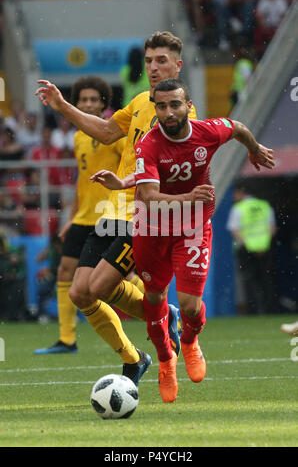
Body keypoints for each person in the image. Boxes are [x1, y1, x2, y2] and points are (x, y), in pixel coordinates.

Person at [92, 78, 275, 403]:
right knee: (154, 297)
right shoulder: (148, 143)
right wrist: (189, 195)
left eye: (174, 104)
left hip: (192, 228)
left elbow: (237, 127)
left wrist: (254, 148)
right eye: (161, 106)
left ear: (188, 106)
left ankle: (189, 342)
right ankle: (165, 360)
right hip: (151, 231)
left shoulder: (208, 131)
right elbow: (148, 195)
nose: (167, 112)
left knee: (190, 305)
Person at [35, 31, 191, 366]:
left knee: (101, 286)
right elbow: (106, 131)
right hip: (112, 211)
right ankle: (136, 358)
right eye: (149, 60)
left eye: (161, 60)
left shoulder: (180, 116)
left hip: (143, 214)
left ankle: (161, 317)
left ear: (178, 65)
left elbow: (169, 169)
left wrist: (126, 182)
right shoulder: (138, 102)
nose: (153, 67)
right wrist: (62, 106)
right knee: (80, 292)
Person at [34, 76, 152, 386]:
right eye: (82, 100)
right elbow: (80, 180)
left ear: (103, 102)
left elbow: (129, 171)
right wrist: (70, 217)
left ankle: (162, 316)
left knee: (114, 280)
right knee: (68, 277)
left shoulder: (119, 133)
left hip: (114, 214)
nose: (87, 104)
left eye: (92, 100)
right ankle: (67, 338)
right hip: (86, 216)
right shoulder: (78, 138)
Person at [226, 184, 277, 315]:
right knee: (266, 279)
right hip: (264, 249)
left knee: (249, 280)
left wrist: (249, 246)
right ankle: (268, 310)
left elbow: (234, 230)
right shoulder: (264, 205)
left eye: (235, 193)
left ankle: (253, 310)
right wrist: (263, 245)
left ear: (241, 192)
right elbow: (272, 228)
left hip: (246, 249)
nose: (233, 196)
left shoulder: (239, 208)